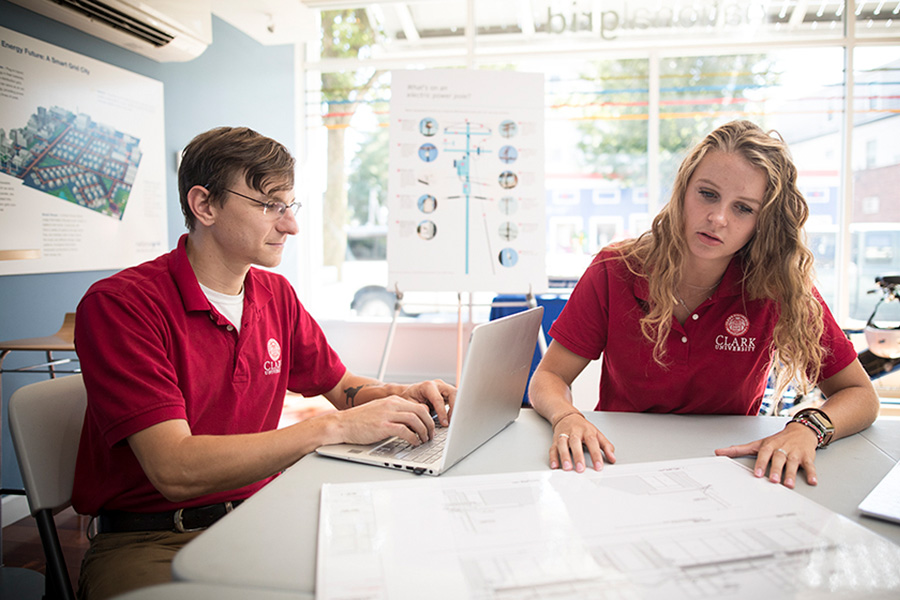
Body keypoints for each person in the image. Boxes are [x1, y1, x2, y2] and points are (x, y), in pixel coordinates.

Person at [72, 126, 456, 600]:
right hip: (150, 537)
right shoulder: (122, 305)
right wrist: (333, 429)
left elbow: (342, 387)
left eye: (289, 207)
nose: (290, 226)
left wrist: (398, 395)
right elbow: (175, 470)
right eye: (269, 206)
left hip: (259, 512)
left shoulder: (275, 295)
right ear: (205, 205)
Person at [529, 120, 879, 489]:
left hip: (733, 472)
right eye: (708, 194)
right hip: (618, 464)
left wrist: (808, 428)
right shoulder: (616, 268)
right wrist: (566, 416)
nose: (718, 218)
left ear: (762, 223)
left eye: (743, 208)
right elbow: (549, 377)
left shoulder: (779, 285)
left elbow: (860, 395)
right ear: (683, 190)